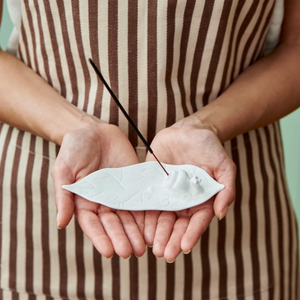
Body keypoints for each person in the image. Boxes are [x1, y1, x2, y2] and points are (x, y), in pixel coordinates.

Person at [0, 0, 299, 299]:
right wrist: (73, 127)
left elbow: (295, 49)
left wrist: (210, 125)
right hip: (40, 222)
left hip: (241, 234)